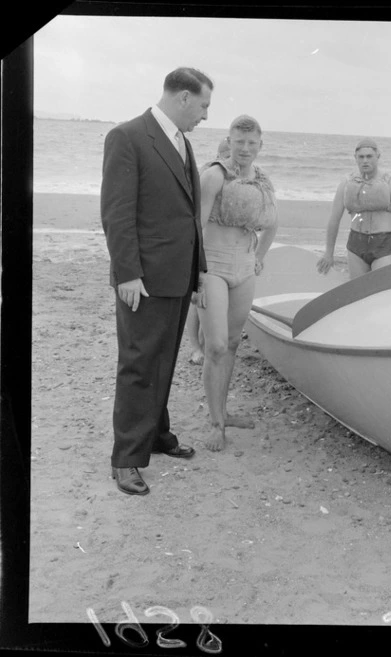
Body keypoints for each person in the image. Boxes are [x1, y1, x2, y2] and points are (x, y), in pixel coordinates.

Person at [101, 67, 214, 495]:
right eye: (203, 105)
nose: (204, 115)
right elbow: (116, 212)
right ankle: (126, 459)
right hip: (144, 278)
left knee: (164, 357)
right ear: (183, 97)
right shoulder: (128, 136)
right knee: (139, 361)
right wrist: (127, 272)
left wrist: (198, 268)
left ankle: (156, 434)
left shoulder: (182, 141)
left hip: (178, 273)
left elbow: (190, 215)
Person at [194, 115, 278, 452]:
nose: (244, 149)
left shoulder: (262, 181)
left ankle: (224, 413)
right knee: (214, 346)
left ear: (260, 144)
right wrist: (195, 275)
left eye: (251, 143)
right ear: (228, 141)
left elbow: (272, 223)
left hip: (244, 268)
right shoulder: (213, 175)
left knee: (231, 343)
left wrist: (260, 255)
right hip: (211, 266)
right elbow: (194, 228)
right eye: (238, 142)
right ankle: (216, 424)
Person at [316, 138, 391, 279]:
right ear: (355, 158)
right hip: (356, 243)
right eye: (361, 157)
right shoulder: (346, 184)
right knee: (358, 291)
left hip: (383, 244)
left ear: (378, 157)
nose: (365, 161)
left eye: (369, 156)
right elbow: (334, 219)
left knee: (379, 289)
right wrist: (328, 253)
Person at [185, 140, 231, 366]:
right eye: (224, 154)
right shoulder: (208, 173)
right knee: (198, 301)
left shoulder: (238, 177)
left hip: (226, 251)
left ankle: (206, 344)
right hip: (206, 247)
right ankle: (195, 347)